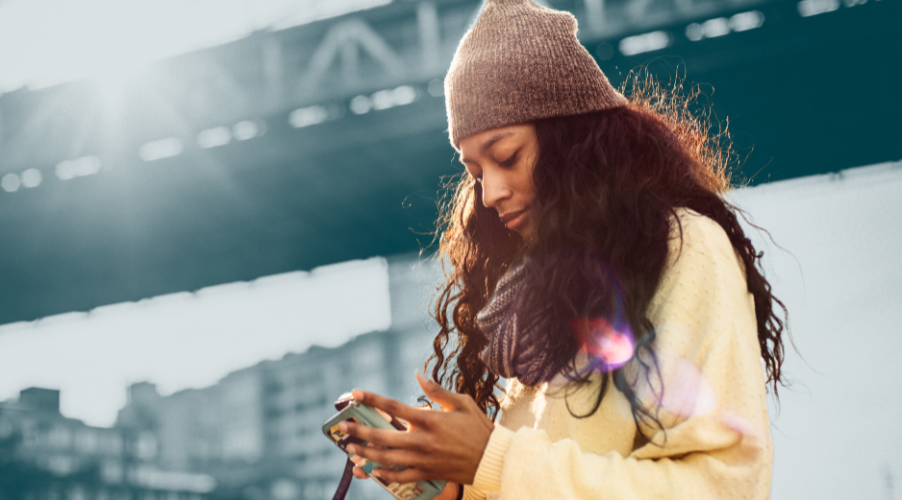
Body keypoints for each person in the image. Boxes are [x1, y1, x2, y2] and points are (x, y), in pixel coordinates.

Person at [336, 0, 786, 498]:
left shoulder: (684, 248)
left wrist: (491, 459)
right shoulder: (538, 299)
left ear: (573, 141)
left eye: (507, 156)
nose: (490, 193)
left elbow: (723, 488)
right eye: (476, 172)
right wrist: (459, 486)